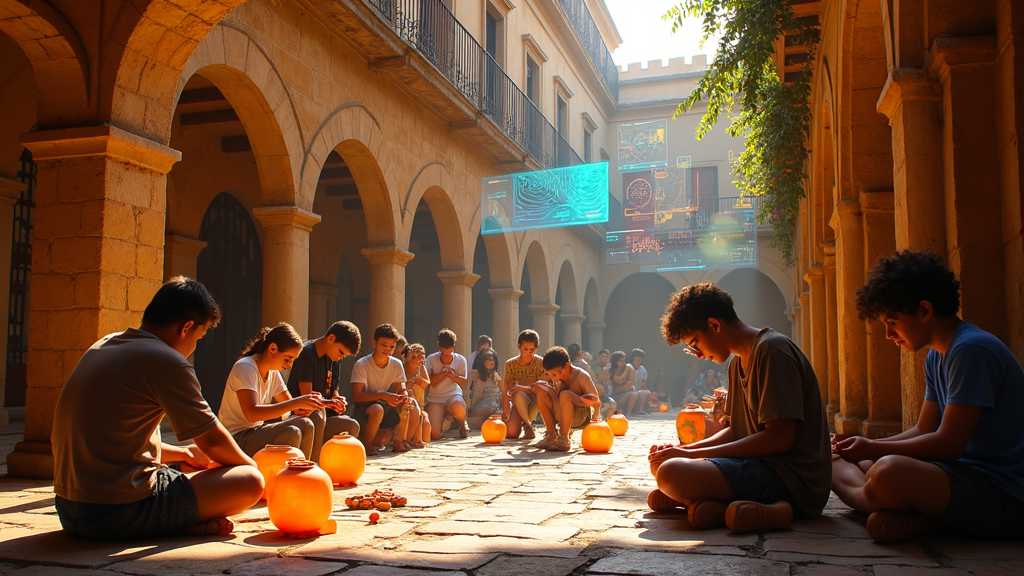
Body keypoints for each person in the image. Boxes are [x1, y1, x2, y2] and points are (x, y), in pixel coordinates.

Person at [831, 250, 1024, 543]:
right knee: (835, 457)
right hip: (959, 475)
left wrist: (872, 449)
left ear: (924, 311)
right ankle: (918, 516)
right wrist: (862, 447)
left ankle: (871, 501)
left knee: (886, 472)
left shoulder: (972, 349)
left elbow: (948, 444)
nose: (888, 334)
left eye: (893, 321)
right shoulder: (937, 356)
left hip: (1004, 493)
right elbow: (923, 429)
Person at [52, 276, 264, 541]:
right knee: (248, 481)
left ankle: (176, 521)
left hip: (70, 508)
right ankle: (173, 524)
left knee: (187, 468)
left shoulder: (106, 344)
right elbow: (211, 440)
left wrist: (183, 453)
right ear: (186, 328)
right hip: (114, 512)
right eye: (199, 337)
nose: (194, 347)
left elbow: (113, 441)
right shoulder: (167, 360)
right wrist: (255, 468)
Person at [648, 282, 830, 534]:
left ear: (714, 325)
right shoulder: (736, 365)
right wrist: (684, 449)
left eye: (696, 343)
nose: (698, 354)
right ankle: (720, 508)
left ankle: (775, 509)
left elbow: (780, 438)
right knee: (662, 465)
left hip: (792, 480)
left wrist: (689, 458)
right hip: (758, 467)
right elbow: (736, 431)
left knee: (670, 472)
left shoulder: (772, 350)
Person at [217, 324, 324, 458]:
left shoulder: (272, 372)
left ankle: (309, 469)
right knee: (291, 431)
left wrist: (318, 403)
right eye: (287, 359)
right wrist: (296, 403)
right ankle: (291, 473)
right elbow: (252, 414)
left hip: (256, 432)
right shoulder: (245, 367)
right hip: (236, 439)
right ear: (272, 348)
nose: (289, 365)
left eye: (292, 360)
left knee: (309, 421)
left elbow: (291, 406)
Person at [286, 321, 361, 462]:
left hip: (325, 416)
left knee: (351, 426)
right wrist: (328, 403)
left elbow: (333, 393)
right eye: (341, 352)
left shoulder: (336, 360)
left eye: (344, 356)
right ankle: (313, 465)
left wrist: (338, 402)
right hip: (303, 416)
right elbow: (306, 398)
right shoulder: (306, 354)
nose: (341, 357)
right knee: (318, 414)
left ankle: (335, 467)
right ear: (331, 338)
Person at [351, 323, 414, 455]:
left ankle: (399, 441)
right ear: (374, 343)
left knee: (409, 404)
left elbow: (400, 387)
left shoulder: (396, 364)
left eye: (391, 347)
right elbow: (357, 396)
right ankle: (366, 445)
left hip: (386, 404)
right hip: (366, 408)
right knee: (377, 409)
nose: (387, 350)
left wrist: (403, 394)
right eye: (383, 345)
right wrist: (382, 395)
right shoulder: (362, 364)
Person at [536, 347, 603, 451]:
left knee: (565, 394)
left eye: (554, 375)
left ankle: (564, 438)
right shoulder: (557, 380)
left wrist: (595, 416)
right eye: (549, 375)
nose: (553, 378)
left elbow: (596, 401)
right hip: (561, 415)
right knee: (541, 391)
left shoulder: (581, 376)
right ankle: (551, 435)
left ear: (566, 366)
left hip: (579, 418)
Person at [501, 329, 548, 440]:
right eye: (525, 349)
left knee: (528, 392)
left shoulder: (541, 363)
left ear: (536, 348)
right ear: (519, 347)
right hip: (519, 401)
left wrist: (523, 387)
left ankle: (530, 424)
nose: (528, 352)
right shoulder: (510, 364)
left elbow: (542, 386)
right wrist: (506, 407)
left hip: (537, 400)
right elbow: (507, 388)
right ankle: (528, 425)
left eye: (532, 350)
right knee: (511, 434)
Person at [424, 328, 469, 439]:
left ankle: (462, 424)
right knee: (434, 434)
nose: (447, 354)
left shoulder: (461, 360)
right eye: (444, 351)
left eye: (449, 351)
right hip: (435, 398)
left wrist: (453, 376)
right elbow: (429, 382)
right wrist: (444, 374)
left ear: (454, 346)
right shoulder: (431, 359)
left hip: (452, 395)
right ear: (438, 346)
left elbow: (464, 384)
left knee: (458, 406)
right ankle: (446, 420)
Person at [569, 342, 615, 418]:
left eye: (588, 358)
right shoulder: (581, 365)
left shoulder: (588, 365)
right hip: (581, 394)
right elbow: (593, 383)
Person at [401, 343, 432, 445]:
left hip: (420, 404)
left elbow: (426, 384)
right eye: (414, 356)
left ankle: (419, 441)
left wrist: (418, 379)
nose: (418, 358)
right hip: (408, 403)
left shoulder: (421, 368)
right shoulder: (403, 368)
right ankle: (410, 440)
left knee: (426, 424)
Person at [466, 349, 502, 429]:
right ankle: (469, 417)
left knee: (496, 414)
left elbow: (501, 393)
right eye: (488, 359)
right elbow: (466, 391)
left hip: (494, 408)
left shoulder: (496, 376)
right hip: (479, 407)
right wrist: (467, 408)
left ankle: (468, 421)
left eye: (493, 359)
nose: (491, 362)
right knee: (490, 408)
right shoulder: (473, 374)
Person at [609, 351, 639, 415]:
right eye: (620, 361)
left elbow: (631, 383)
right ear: (615, 361)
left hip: (622, 393)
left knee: (635, 394)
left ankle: (629, 413)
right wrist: (625, 372)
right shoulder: (610, 369)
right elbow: (618, 380)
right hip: (612, 396)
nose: (623, 363)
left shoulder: (627, 368)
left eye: (624, 361)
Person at [629, 348, 651, 414]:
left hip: (639, 389)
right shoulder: (628, 368)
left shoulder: (642, 369)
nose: (638, 363)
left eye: (640, 360)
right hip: (629, 390)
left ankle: (640, 409)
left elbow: (644, 384)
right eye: (636, 360)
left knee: (645, 392)